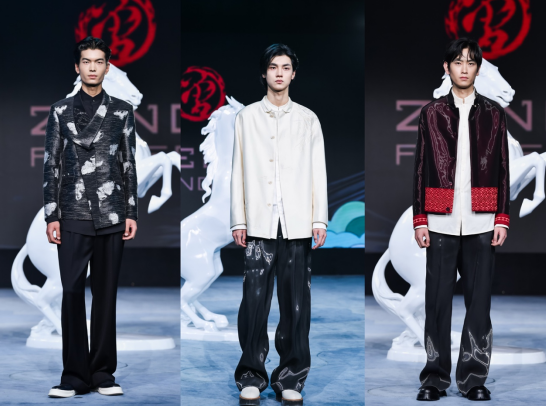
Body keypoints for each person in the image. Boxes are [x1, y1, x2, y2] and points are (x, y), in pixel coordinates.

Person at [230, 43, 328, 405]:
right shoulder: (246, 117)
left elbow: (318, 170)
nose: (280, 73)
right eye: (274, 67)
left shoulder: (307, 118)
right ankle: (251, 375)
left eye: (286, 67)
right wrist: (238, 218)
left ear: (294, 74)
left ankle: (291, 377)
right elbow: (237, 169)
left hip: (297, 222)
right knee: (254, 302)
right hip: (258, 221)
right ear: (264, 73)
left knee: (296, 304)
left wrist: (319, 218)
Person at [413, 38, 509, 402]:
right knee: (437, 303)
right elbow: (420, 167)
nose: (464, 68)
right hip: (441, 218)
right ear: (447, 67)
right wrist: (420, 218)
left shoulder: (494, 114)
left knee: (479, 303)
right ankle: (434, 377)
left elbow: (503, 168)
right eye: (458, 61)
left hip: (482, 219)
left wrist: (502, 217)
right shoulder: (432, 113)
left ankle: (473, 378)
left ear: (478, 69)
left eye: (470, 62)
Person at [43, 36, 138, 398]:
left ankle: (101, 373)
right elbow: (51, 164)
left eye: (99, 61)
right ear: (77, 67)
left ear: (107, 67)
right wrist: (51, 214)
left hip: (112, 213)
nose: (93, 67)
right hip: (71, 213)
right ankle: (73, 376)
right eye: (87, 61)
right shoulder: (60, 111)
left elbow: (128, 164)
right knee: (71, 292)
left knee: (105, 295)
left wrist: (132, 212)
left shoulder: (122, 111)